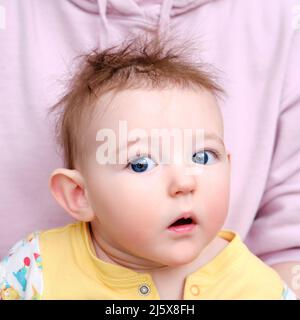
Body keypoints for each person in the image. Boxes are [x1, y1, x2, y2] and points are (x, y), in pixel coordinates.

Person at [1, 0, 300, 297]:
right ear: (80, 195)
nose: (184, 182)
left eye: (203, 156)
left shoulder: (260, 287)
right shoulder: (33, 270)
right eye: (141, 163)